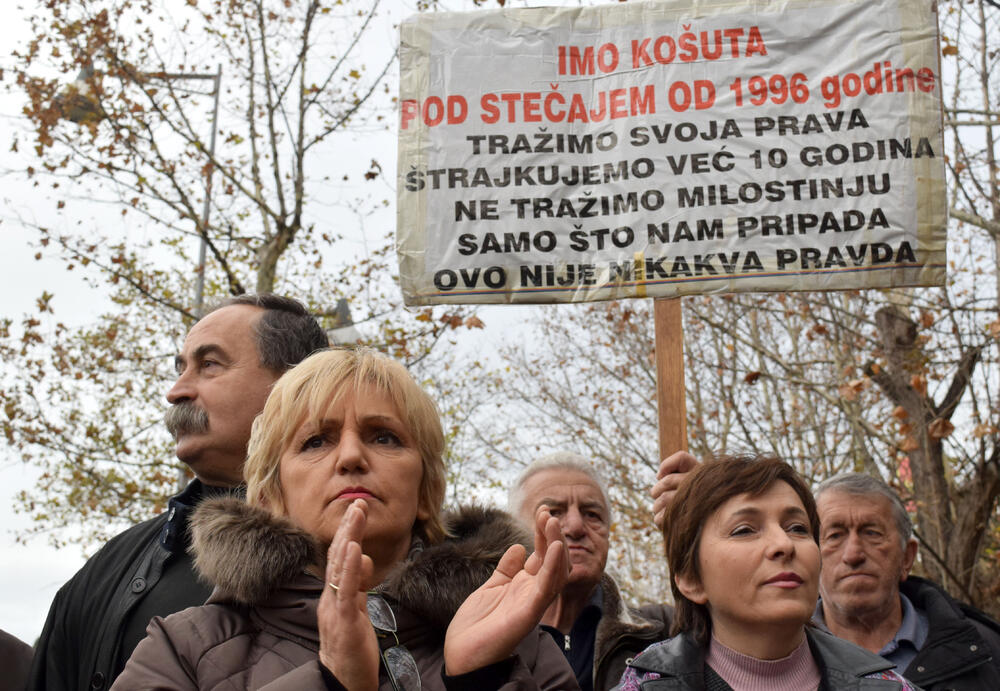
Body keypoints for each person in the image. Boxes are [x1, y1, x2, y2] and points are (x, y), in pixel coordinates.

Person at [112, 347, 579, 690]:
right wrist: (329, 682)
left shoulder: (522, 645)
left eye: (384, 437)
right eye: (316, 441)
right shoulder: (183, 648)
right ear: (272, 495)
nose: (352, 455)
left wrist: (480, 679)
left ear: (425, 491)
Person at [26, 293, 329, 691]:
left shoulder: (365, 548)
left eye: (209, 365)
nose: (176, 391)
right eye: (181, 368)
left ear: (295, 385)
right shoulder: (106, 566)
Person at [618, 454, 917, 691]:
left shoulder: (885, 686)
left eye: (798, 528)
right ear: (690, 578)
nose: (784, 544)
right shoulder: (645, 686)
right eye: (744, 530)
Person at [814, 472, 1000, 690]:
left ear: (907, 557)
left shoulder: (985, 650)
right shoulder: (776, 657)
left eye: (872, 533)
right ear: (810, 557)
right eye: (834, 535)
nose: (853, 554)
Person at [510, 453, 675, 691]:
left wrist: (705, 517)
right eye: (553, 513)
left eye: (592, 514)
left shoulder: (663, 631)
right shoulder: (482, 642)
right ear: (515, 532)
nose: (576, 526)